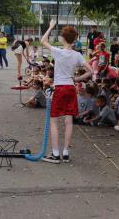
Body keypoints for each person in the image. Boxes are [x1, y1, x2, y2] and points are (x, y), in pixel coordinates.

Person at [40, 20, 92, 163]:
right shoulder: (77, 55)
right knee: (69, 122)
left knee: (54, 121)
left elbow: (42, 40)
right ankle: (66, 152)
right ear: (75, 39)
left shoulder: (58, 52)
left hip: (60, 88)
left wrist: (50, 26)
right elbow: (91, 71)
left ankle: (56, 154)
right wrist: (77, 78)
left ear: (62, 38)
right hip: (70, 88)